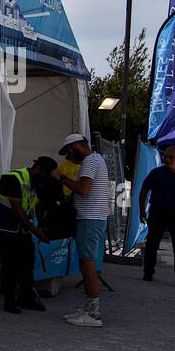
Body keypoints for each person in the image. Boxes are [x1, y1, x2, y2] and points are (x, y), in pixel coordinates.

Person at [53, 133, 109, 327]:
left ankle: (93, 314)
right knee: (86, 263)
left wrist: (63, 178)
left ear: (77, 146)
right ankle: (88, 307)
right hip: (92, 218)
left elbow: (84, 189)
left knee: (88, 264)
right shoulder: (95, 160)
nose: (68, 157)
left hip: (90, 218)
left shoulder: (90, 161)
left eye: (69, 152)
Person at [0, 158, 52, 313]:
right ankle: (9, 301)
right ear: (37, 169)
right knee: (10, 264)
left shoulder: (35, 182)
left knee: (27, 262)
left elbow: (35, 205)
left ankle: (25, 298)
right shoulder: (12, 178)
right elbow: (17, 209)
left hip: (21, 228)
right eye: (45, 175)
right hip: (5, 227)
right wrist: (36, 231)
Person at [138, 143, 175, 281]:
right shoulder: (157, 173)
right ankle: (148, 272)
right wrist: (142, 211)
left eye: (171, 157)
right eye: (165, 156)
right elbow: (143, 190)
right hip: (157, 212)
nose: (167, 159)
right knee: (152, 243)